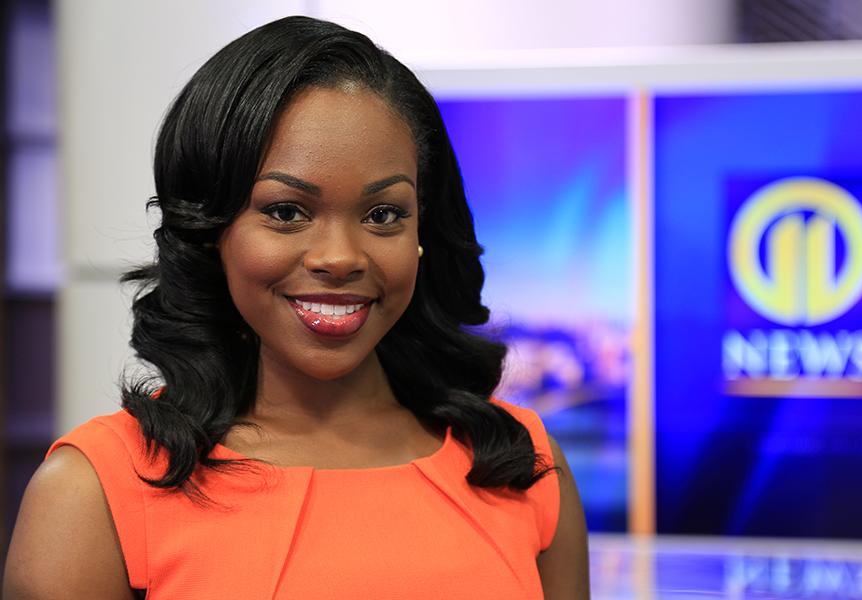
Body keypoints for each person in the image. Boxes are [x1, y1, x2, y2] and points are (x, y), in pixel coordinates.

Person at [4, 15, 589, 599]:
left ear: (422, 233)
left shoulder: (522, 463)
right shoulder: (94, 492)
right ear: (213, 230)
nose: (340, 257)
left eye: (383, 213)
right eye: (286, 212)